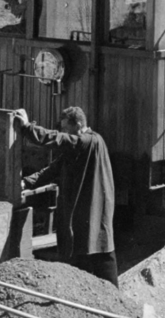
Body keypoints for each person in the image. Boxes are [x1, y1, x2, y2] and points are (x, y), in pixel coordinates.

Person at [15, 105, 119, 283]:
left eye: (65, 127)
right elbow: (52, 169)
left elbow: (60, 139)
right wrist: (27, 182)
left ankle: (115, 304)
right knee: (84, 256)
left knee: (101, 256)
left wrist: (27, 128)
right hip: (86, 214)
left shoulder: (89, 141)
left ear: (78, 124)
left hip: (94, 212)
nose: (63, 131)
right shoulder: (79, 147)